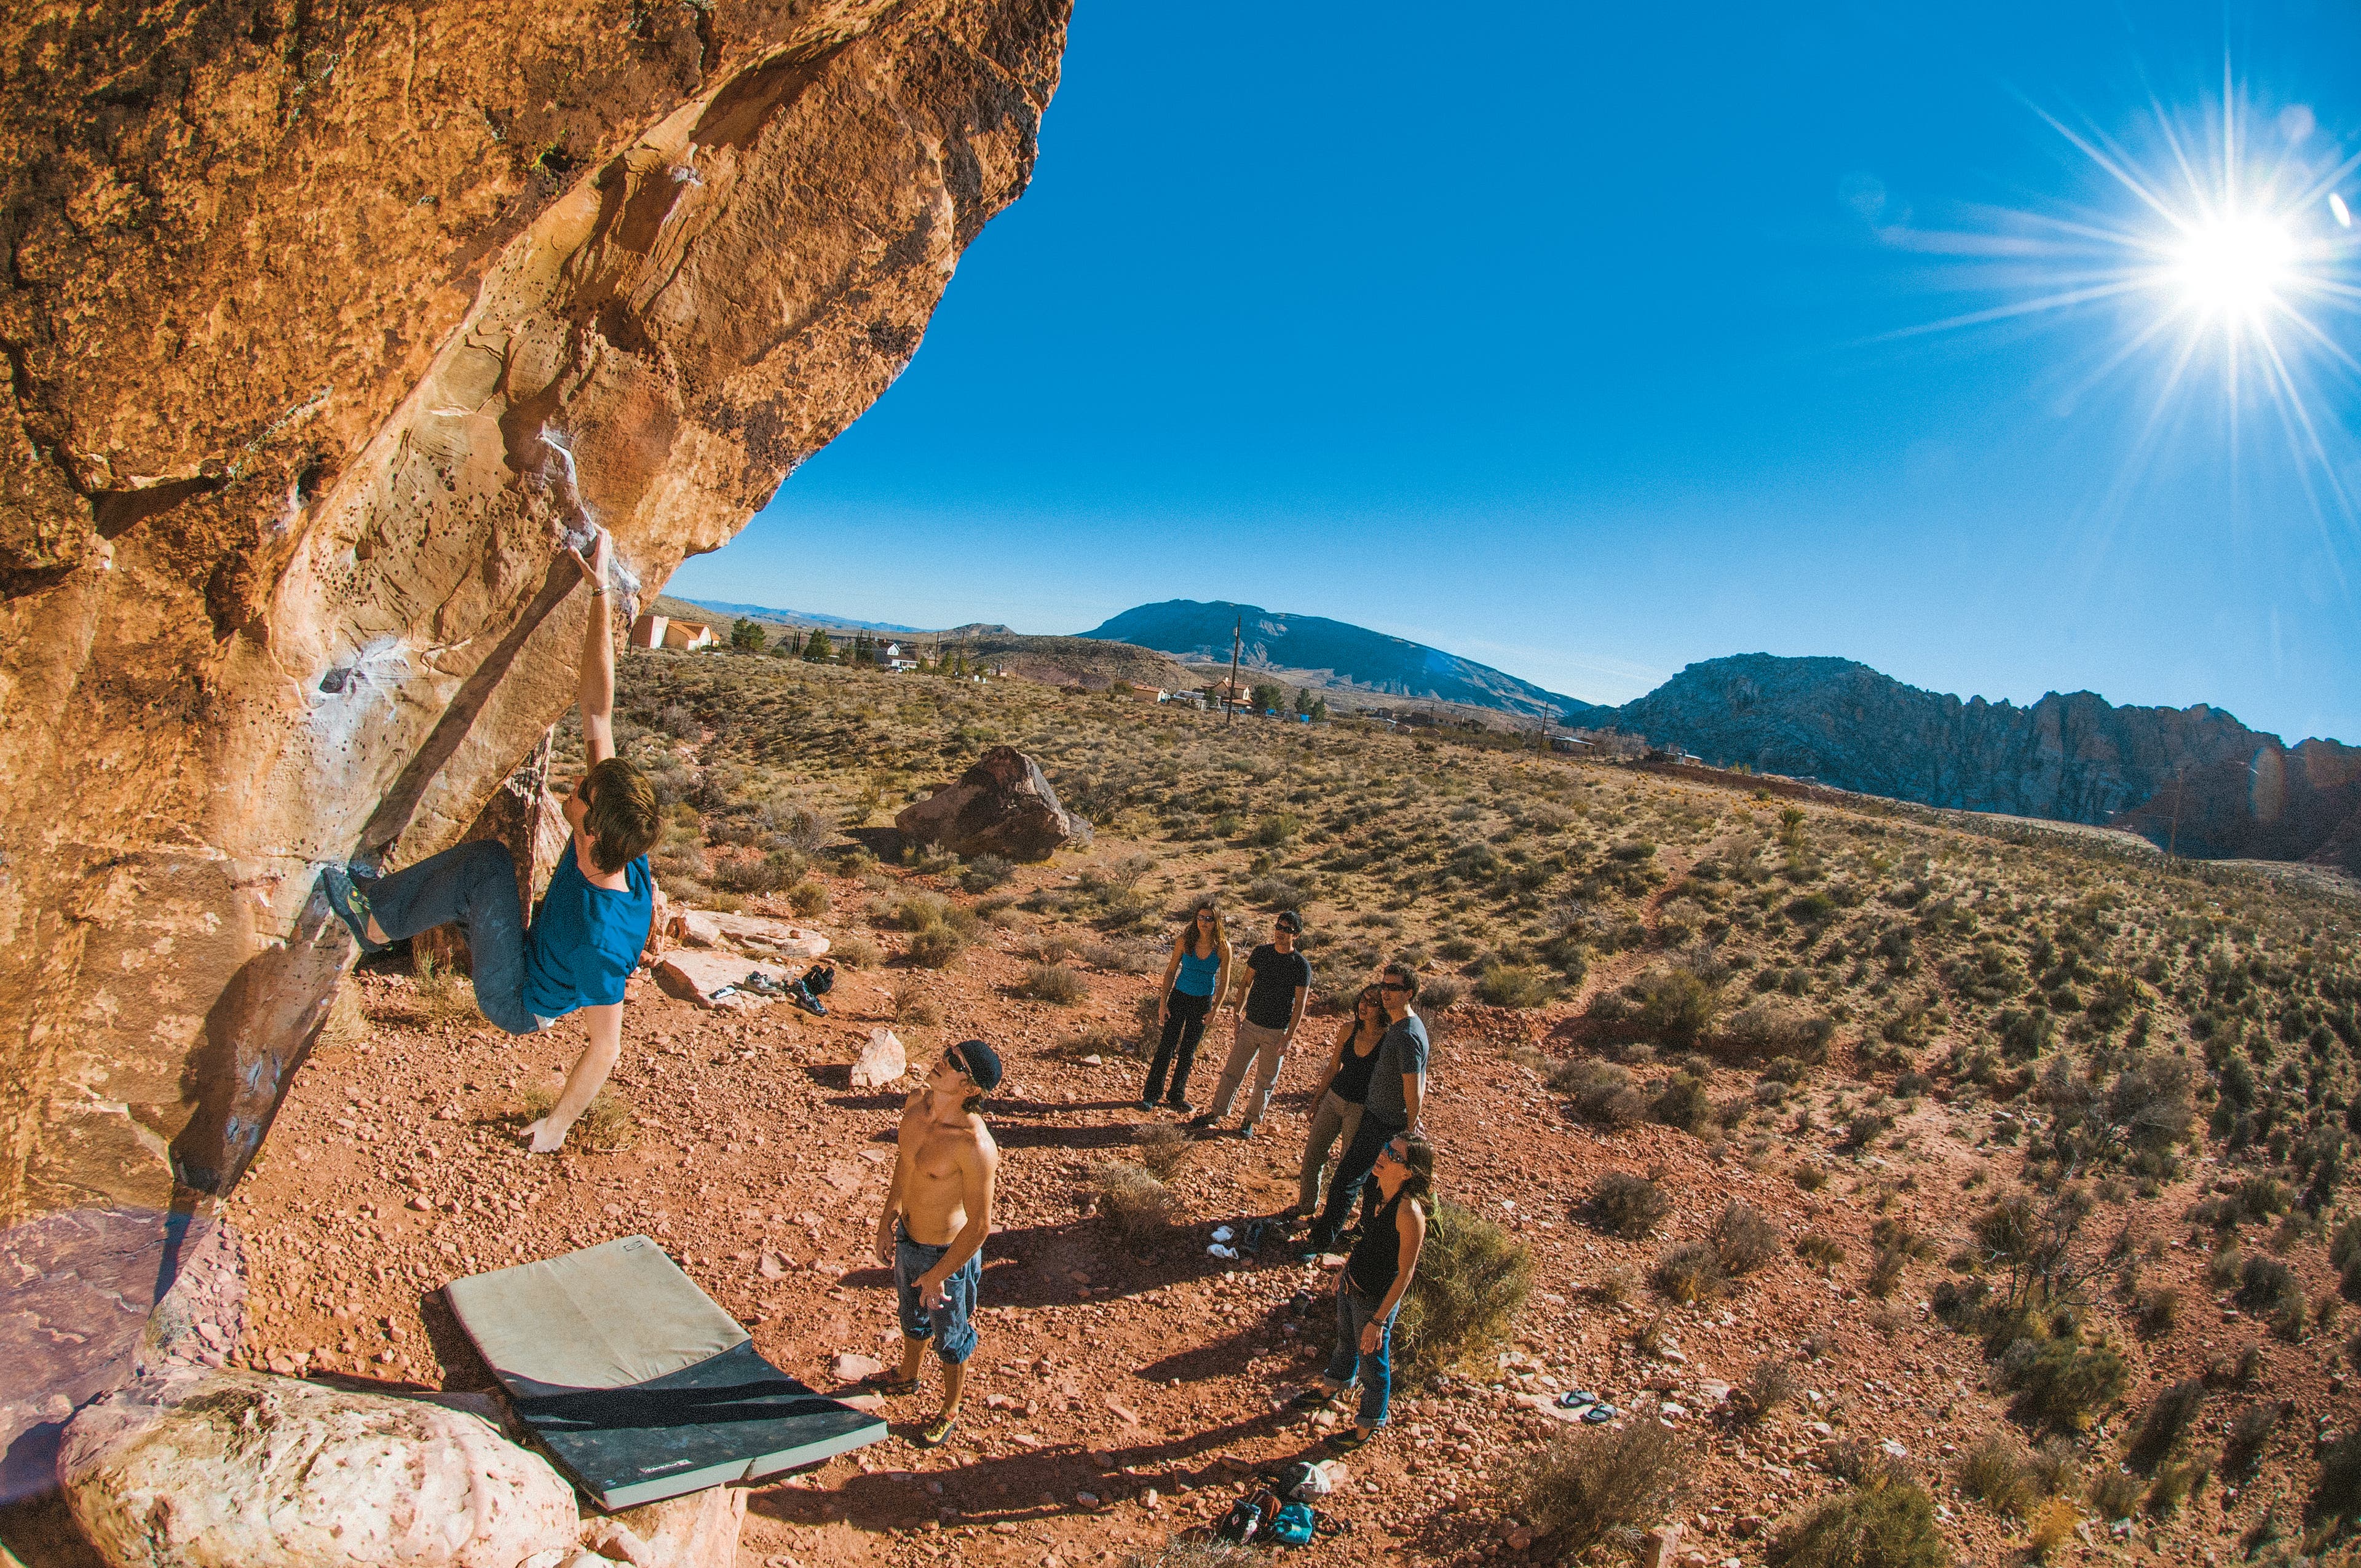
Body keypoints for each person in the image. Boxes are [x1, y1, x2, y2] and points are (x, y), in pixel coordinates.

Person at [317, 528, 659, 1154]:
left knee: (486, 866)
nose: (577, 783)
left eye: (581, 792)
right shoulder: (621, 851)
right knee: (487, 871)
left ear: (587, 830)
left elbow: (606, 1046)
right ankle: (387, 912)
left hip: (518, 999)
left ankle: (373, 924)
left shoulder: (602, 941)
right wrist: (600, 594)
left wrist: (555, 1127)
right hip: (540, 951)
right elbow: (599, 711)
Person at [870, 1038, 1003, 1447]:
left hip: (948, 1257)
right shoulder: (917, 1104)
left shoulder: (974, 1146)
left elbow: (980, 1227)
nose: (940, 1061)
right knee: (911, 1316)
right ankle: (908, 1376)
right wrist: (887, 1215)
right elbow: (905, 1162)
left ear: (970, 1089)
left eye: (953, 1062)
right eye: (947, 1052)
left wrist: (939, 1275)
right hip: (910, 1238)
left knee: (951, 1337)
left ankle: (951, 1406)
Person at [1289, 1131, 1432, 1452]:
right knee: (1345, 1343)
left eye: (1393, 1155)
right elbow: (1367, 1241)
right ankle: (1333, 1387)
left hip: (1375, 1300)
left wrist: (1379, 1321)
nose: (1383, 1155)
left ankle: (1367, 1427)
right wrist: (1345, 1270)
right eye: (1386, 1147)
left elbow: (1406, 1272)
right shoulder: (1378, 1190)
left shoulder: (1409, 1213)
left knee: (1374, 1366)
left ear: (1409, 1171)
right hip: (1353, 1285)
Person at [1300, 961, 1427, 1256]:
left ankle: (1321, 1241)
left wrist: (1410, 1126)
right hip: (1378, 1114)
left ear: (1409, 993)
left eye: (1394, 988)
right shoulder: (1403, 1026)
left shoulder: (1407, 1034)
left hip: (1385, 1121)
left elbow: (1415, 1086)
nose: (1386, 993)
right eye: (1384, 985)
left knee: (1346, 1179)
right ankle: (1364, 1230)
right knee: (1373, 1181)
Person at [1192, 910, 1313, 1140]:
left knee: (1265, 1080)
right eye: (1279, 927)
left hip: (1277, 1031)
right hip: (1251, 1024)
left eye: (1287, 930)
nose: (1280, 932)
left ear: (1295, 935)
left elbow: (1300, 1005)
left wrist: (1289, 1037)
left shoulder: (1301, 966)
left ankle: (1249, 1120)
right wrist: (1237, 1013)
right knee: (1232, 1072)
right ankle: (1216, 1112)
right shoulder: (1261, 953)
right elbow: (1246, 983)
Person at [1289, 983, 1386, 1220]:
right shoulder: (1348, 1030)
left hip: (1360, 1109)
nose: (1365, 1006)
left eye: (1373, 1003)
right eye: (1363, 999)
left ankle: (1333, 1217)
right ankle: (1305, 1206)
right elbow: (1334, 1067)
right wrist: (1315, 1103)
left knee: (1346, 1167)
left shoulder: (1387, 1040)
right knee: (1313, 1153)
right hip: (1334, 1100)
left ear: (1383, 1009)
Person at [1139, 901, 1232, 1114]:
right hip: (1179, 997)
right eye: (1201, 917)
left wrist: (1216, 1009)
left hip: (1202, 1002)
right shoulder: (1185, 941)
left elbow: (1225, 981)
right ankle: (1151, 1095)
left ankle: (1176, 1095)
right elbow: (1171, 971)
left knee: (1188, 1051)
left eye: (1209, 919)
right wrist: (1163, 1003)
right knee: (1167, 1046)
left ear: (1216, 921)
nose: (1204, 923)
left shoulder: (1223, 947)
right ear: (1195, 918)